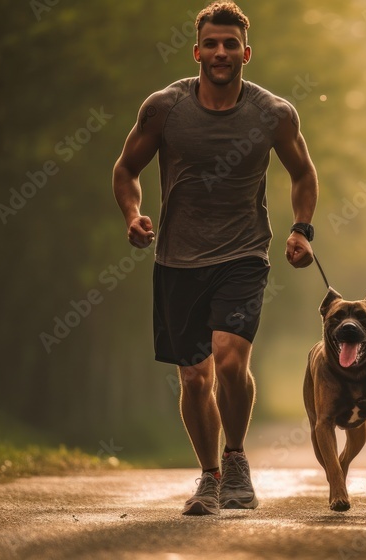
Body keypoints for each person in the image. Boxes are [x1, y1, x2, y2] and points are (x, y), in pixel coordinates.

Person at [111, 1, 319, 516]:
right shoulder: (164, 108)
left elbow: (303, 173)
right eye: (212, 43)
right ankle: (209, 477)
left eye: (231, 44)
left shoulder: (273, 113)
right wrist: (132, 214)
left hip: (244, 254)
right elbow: (126, 168)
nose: (221, 52)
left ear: (246, 52)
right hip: (177, 260)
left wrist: (301, 230)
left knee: (228, 359)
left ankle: (236, 460)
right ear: (197, 49)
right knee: (193, 377)